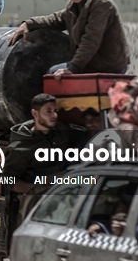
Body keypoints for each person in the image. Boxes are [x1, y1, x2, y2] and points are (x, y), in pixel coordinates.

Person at [7, 0, 129, 78]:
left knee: (55, 74)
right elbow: (55, 20)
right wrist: (27, 24)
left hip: (109, 65)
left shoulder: (100, 3)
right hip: (90, 62)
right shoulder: (74, 6)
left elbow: (91, 41)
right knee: (50, 72)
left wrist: (73, 69)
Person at [6, 93, 88, 225]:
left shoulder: (61, 130)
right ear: (35, 113)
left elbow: (87, 138)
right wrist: (37, 188)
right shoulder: (21, 147)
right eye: (48, 111)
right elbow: (9, 180)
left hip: (64, 194)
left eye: (55, 111)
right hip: (38, 201)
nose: (54, 115)